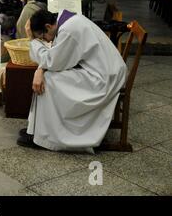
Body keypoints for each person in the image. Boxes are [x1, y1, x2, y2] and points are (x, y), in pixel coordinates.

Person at [19, 9, 127, 152]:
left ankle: (47, 136)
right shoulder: (67, 21)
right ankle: (38, 130)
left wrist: (32, 42)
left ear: (47, 26)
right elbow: (57, 59)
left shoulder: (68, 30)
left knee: (49, 80)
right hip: (106, 70)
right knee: (49, 76)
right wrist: (41, 69)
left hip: (102, 78)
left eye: (42, 37)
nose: (46, 41)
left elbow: (52, 61)